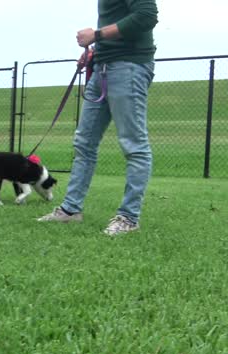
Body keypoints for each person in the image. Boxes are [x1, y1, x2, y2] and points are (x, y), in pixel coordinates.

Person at [38, 0, 159, 236]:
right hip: (103, 68)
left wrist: (96, 35)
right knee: (84, 143)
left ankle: (128, 218)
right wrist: (95, 53)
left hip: (129, 67)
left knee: (134, 145)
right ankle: (70, 210)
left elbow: (146, 16)